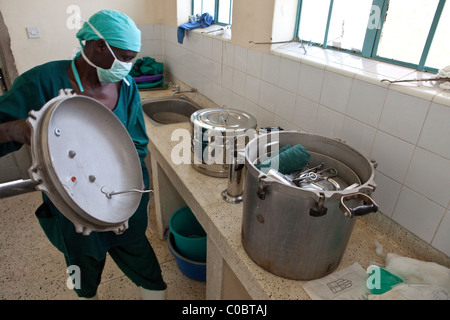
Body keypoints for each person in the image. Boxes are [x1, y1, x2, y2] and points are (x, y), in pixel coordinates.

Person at [0, 9, 167, 300]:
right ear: (99, 46)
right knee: (84, 271)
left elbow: (137, 143)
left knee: (144, 265)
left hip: (123, 201)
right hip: (73, 203)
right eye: (125, 58)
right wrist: (18, 130)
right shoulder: (41, 83)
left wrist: (134, 192)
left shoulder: (125, 87)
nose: (128, 66)